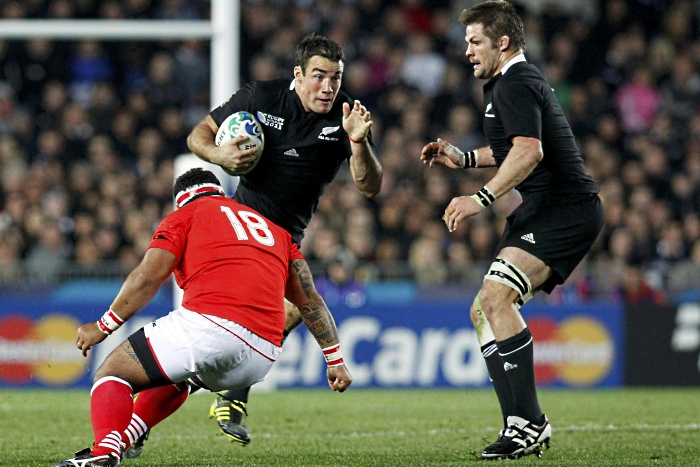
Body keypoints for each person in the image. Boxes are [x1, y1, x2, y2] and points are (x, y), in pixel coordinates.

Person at [125, 32, 382, 456]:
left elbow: (369, 185)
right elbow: (198, 135)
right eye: (319, 76)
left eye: (335, 78)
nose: (328, 87)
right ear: (298, 74)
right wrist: (220, 157)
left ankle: (160, 416)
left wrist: (358, 142)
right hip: (240, 232)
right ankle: (211, 399)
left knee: (267, 323)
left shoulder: (346, 116)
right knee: (228, 336)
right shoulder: (262, 97)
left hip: (284, 241)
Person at [51, 168, 352, 467]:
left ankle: (104, 453)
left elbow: (147, 277)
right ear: (220, 191)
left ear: (180, 200)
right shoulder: (275, 231)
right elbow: (311, 302)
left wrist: (103, 326)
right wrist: (335, 359)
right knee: (182, 375)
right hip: (262, 355)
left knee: (114, 372)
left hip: (212, 326)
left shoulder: (185, 215)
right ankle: (125, 439)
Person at [420, 1, 604, 461]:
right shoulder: (511, 82)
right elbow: (511, 147)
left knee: (497, 298)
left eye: (475, 41)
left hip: (564, 208)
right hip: (546, 207)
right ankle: (518, 424)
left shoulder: (516, 82)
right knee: (484, 309)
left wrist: (479, 199)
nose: (467, 50)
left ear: (502, 42)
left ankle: (529, 423)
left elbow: (529, 151)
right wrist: (464, 158)